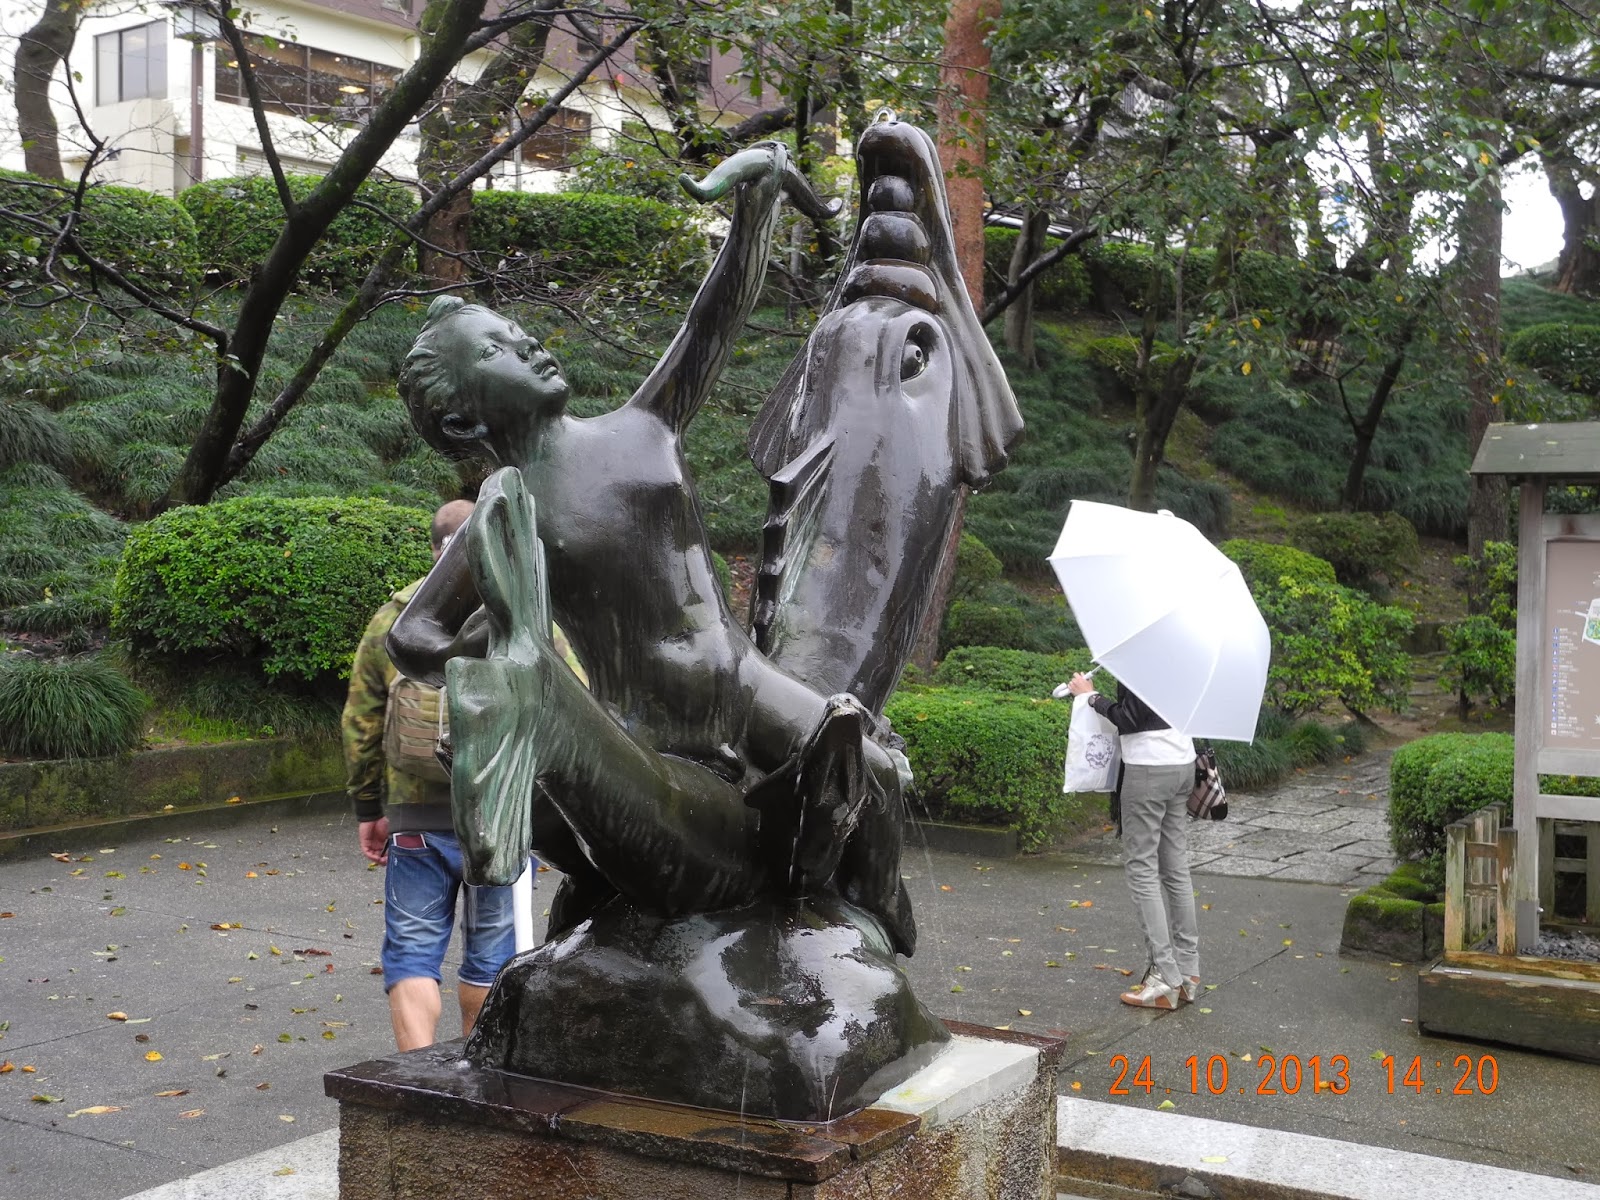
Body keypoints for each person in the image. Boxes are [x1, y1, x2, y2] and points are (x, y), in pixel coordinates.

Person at [386, 141, 913, 955]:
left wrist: (753, 216)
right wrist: (495, 642)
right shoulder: (510, 506)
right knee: (712, 850)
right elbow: (412, 635)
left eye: (519, 333)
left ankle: (874, 916)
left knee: (868, 774)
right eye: (496, 352)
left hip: (738, 676)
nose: (528, 347)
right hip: (651, 723)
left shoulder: (642, 425)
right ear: (462, 418)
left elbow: (711, 324)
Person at [343, 499, 526, 1051]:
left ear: (434, 550)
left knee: (412, 951)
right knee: (492, 956)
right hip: (498, 817)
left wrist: (369, 809)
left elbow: (361, 720)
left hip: (415, 817)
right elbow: (570, 702)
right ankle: (478, 1076)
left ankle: (416, 1076)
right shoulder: (521, 613)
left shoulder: (396, 618)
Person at [1066, 671, 1199, 1011]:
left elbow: (1131, 718)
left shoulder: (1143, 660)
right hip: (1182, 762)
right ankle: (1187, 971)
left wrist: (1091, 697)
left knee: (1142, 870)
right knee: (1176, 869)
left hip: (1149, 770)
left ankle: (1164, 975)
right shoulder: (1182, 655)